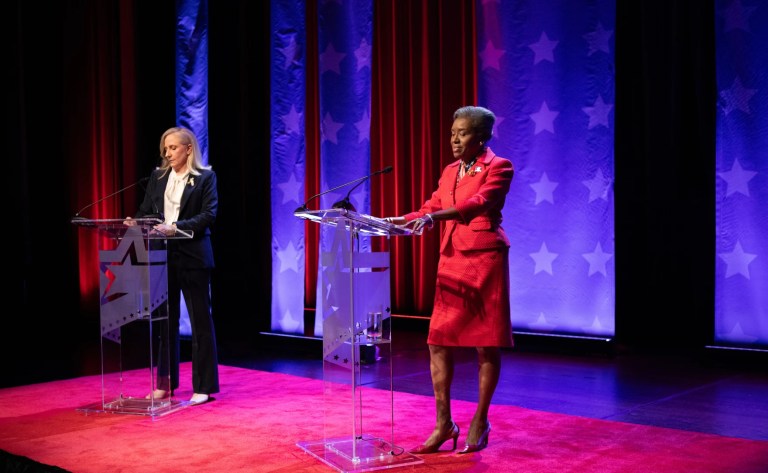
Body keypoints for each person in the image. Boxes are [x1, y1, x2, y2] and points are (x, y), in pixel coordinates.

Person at [384, 106, 513, 454]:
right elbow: (431, 206)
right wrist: (396, 220)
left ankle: (480, 420)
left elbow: (478, 203)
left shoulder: (500, 166)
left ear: (481, 136)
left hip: (484, 260)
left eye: (463, 133)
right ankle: (444, 424)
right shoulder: (449, 170)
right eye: (453, 132)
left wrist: (434, 217)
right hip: (452, 260)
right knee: (437, 341)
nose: (454, 139)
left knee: (486, 344)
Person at [125, 126, 220, 405]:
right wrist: (136, 222)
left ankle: (203, 386)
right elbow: (147, 211)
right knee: (165, 323)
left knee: (200, 321)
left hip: (193, 256)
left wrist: (175, 227)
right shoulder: (157, 177)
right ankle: (166, 384)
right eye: (165, 149)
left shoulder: (205, 178)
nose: (167, 153)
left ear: (188, 149)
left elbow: (208, 215)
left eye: (173, 148)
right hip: (163, 257)